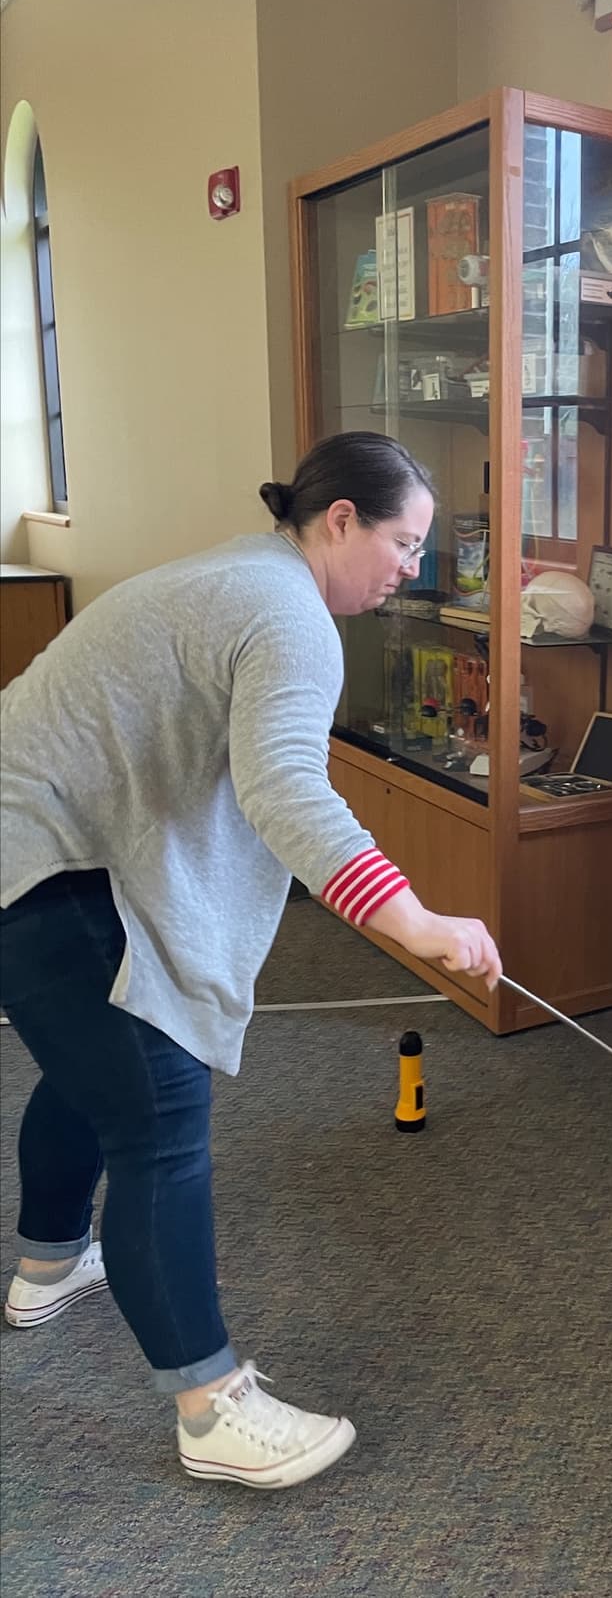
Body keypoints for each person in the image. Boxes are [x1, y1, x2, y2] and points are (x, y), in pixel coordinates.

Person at [0, 431, 501, 1489]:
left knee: (96, 1066)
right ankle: (211, 1406)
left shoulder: (238, 573)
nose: (410, 566)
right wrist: (413, 919)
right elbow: (282, 788)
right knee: (158, 1112)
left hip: (35, 839)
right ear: (338, 522)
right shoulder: (287, 613)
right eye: (403, 543)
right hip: (42, 858)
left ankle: (47, 1263)